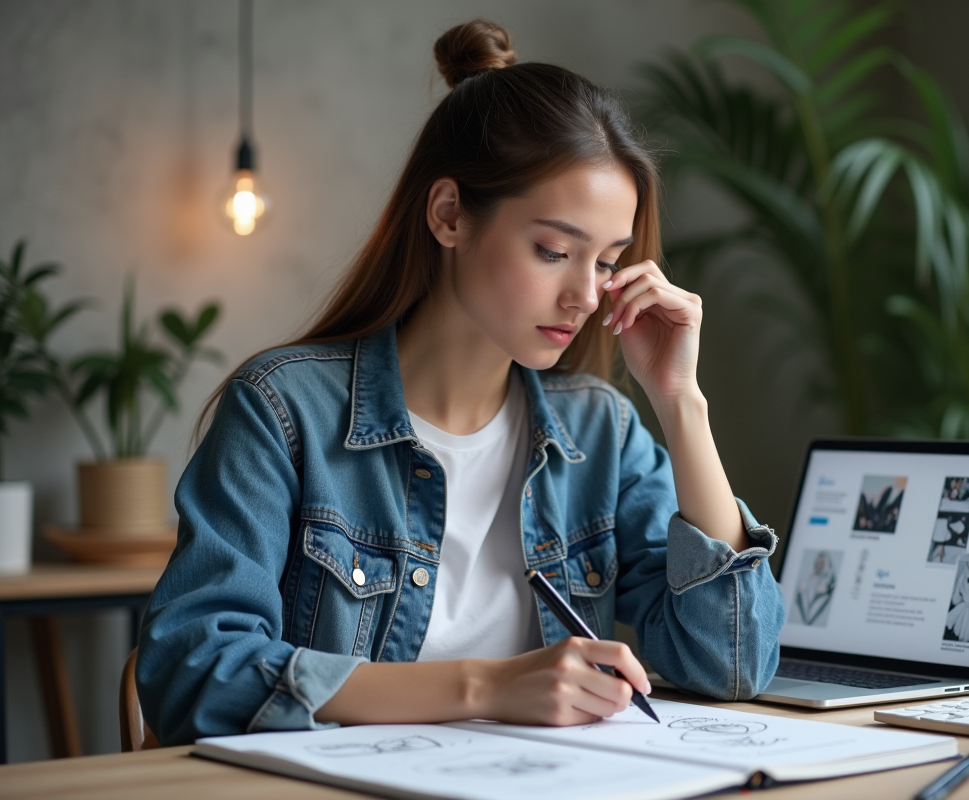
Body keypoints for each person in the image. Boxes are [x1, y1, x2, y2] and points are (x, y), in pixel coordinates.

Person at [136, 19, 785, 746]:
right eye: (553, 250)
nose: (585, 295)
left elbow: (732, 663)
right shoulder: (284, 411)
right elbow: (193, 673)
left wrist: (681, 403)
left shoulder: (599, 430)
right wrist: (487, 687)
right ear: (449, 215)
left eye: (607, 262)